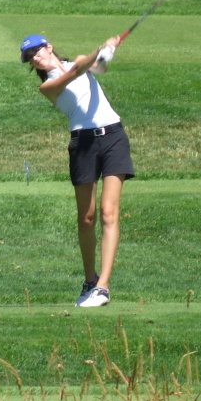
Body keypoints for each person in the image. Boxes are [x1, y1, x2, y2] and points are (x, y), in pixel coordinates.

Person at [20, 34, 135, 307]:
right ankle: (89, 281)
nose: (36, 58)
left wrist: (106, 53)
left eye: (37, 51)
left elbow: (98, 68)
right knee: (86, 218)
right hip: (83, 144)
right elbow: (75, 71)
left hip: (114, 137)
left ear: (49, 47)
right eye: (30, 58)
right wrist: (99, 50)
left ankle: (103, 287)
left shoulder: (80, 62)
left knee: (108, 212)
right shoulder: (48, 86)